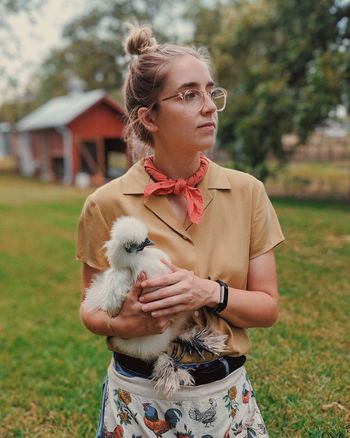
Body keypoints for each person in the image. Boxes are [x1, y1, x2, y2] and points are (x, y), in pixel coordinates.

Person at [76, 25, 284, 438]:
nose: (209, 107)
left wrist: (209, 292)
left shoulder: (247, 192)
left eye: (210, 92)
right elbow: (90, 310)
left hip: (226, 399)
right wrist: (124, 325)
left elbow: (268, 307)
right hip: (138, 402)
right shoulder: (105, 203)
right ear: (149, 117)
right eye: (189, 95)